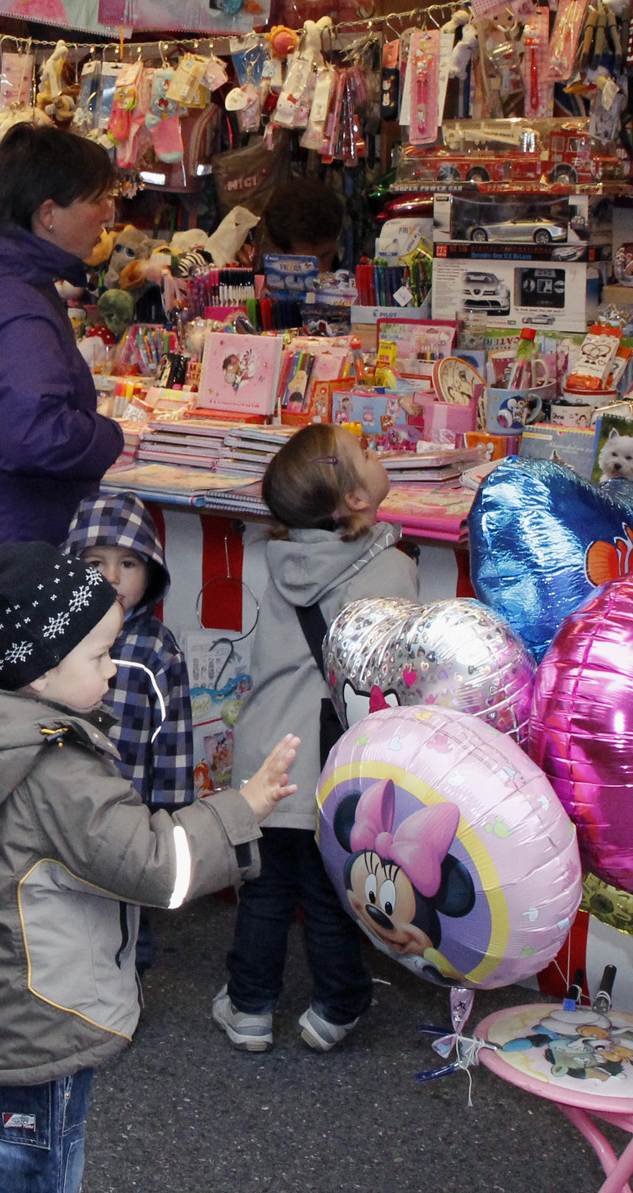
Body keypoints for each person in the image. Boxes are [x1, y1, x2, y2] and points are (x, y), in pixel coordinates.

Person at [0, 543, 300, 1193]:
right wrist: (240, 810)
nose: (113, 669)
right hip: (43, 1025)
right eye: (100, 655)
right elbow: (155, 864)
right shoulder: (57, 772)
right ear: (41, 672)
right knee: (32, 1172)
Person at [216, 423, 417, 1055]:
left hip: (265, 759)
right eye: (367, 453)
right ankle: (335, 1006)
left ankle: (249, 1007)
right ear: (354, 498)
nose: (376, 453)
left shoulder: (282, 562)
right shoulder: (390, 568)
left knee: (265, 892)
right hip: (332, 762)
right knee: (331, 895)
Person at [0, 125, 123, 625]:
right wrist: (107, 435)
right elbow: (33, 436)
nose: (109, 214)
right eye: (98, 199)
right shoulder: (14, 305)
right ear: (48, 213)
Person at [63, 493, 192, 972]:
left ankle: (125, 988)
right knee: (64, 905)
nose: (112, 577)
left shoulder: (156, 650)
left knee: (126, 915)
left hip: (130, 812)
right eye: (95, 563)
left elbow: (173, 737)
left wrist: (172, 817)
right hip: (65, 803)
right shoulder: (57, 635)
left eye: (128, 563)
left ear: (151, 572)